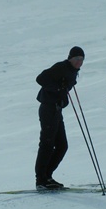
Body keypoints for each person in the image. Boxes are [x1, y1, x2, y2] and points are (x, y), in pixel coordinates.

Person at [34, 46, 84, 190]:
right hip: (48, 109)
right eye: (76, 59)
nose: (79, 62)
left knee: (62, 145)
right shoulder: (62, 67)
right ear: (70, 58)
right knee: (47, 144)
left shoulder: (73, 72)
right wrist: (57, 89)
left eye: (81, 60)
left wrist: (61, 95)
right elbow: (40, 78)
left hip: (56, 110)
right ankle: (41, 180)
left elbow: (62, 90)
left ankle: (47, 176)